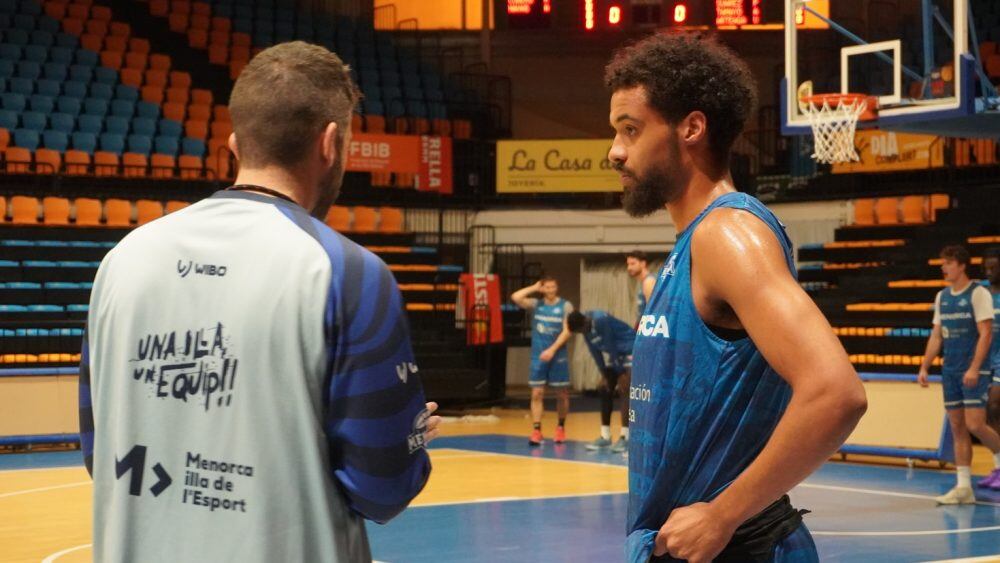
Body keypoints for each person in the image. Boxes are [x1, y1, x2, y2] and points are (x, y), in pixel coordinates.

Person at [79, 42, 440, 562]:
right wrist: (408, 440)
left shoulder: (121, 260)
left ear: (234, 143)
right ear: (330, 143)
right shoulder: (349, 272)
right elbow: (382, 487)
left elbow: (100, 451)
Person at [605, 32, 867, 563]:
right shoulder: (693, 244)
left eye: (631, 130)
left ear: (691, 129)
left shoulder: (726, 234)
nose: (615, 151)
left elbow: (836, 393)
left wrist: (723, 514)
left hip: (739, 548)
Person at [918, 245, 1000, 500]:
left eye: (949, 263)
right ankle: (963, 486)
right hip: (950, 369)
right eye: (943, 263)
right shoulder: (942, 297)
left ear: (962, 265)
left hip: (973, 368)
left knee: (976, 423)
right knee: (957, 426)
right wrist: (925, 365)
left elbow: (986, 333)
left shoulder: (978, 293)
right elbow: (936, 334)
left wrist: (975, 367)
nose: (944, 267)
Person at [511, 277, 573, 445]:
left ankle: (560, 427)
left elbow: (568, 331)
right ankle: (536, 430)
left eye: (553, 287)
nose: (550, 290)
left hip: (557, 355)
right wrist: (533, 287)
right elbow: (516, 297)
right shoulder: (537, 304)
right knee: (537, 393)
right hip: (539, 356)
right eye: (547, 287)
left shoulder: (565, 306)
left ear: (557, 288)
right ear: (543, 288)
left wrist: (552, 350)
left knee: (562, 394)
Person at [568, 310, 634, 453]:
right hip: (616, 354)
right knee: (604, 389)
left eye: (581, 330)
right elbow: (595, 353)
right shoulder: (585, 330)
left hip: (629, 349)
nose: (582, 333)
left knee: (625, 390)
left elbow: (611, 344)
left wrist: (621, 373)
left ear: (585, 322)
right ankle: (605, 436)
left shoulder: (600, 320)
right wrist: (604, 374)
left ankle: (625, 437)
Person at [985, 247, 1000, 444]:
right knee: (989, 411)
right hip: (984, 359)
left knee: (994, 404)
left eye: (993, 268)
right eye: (986, 268)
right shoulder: (980, 292)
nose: (989, 272)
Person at [627, 250, 657, 323]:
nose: (629, 268)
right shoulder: (645, 282)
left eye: (632, 264)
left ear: (643, 264)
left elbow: (653, 310)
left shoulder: (649, 281)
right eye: (628, 264)